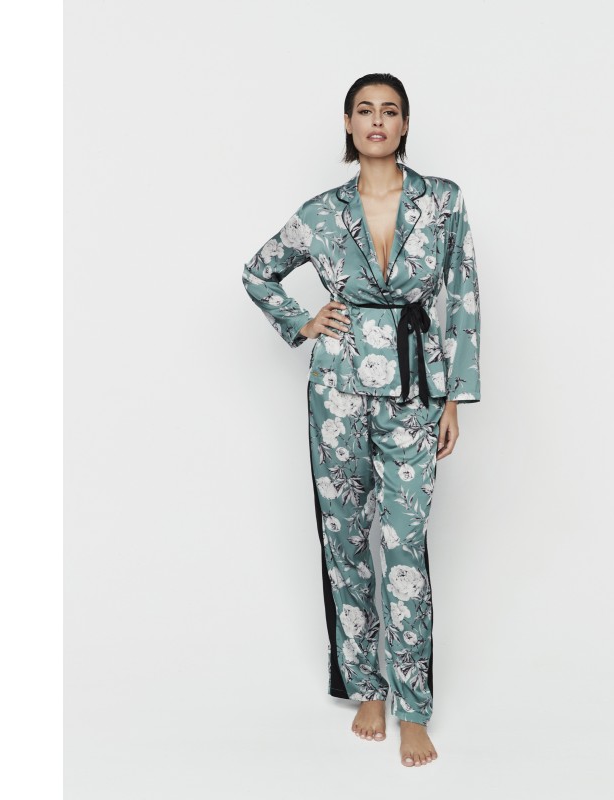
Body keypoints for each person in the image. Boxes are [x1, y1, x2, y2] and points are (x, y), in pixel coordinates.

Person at [241, 73, 481, 767]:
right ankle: (365, 686)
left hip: (414, 391)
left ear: (405, 124)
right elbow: (259, 272)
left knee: (404, 545)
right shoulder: (322, 213)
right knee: (344, 541)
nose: (377, 120)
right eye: (365, 110)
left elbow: (462, 294)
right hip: (337, 393)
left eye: (390, 111)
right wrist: (304, 321)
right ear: (348, 123)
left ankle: (415, 706)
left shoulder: (442, 201)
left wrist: (453, 398)